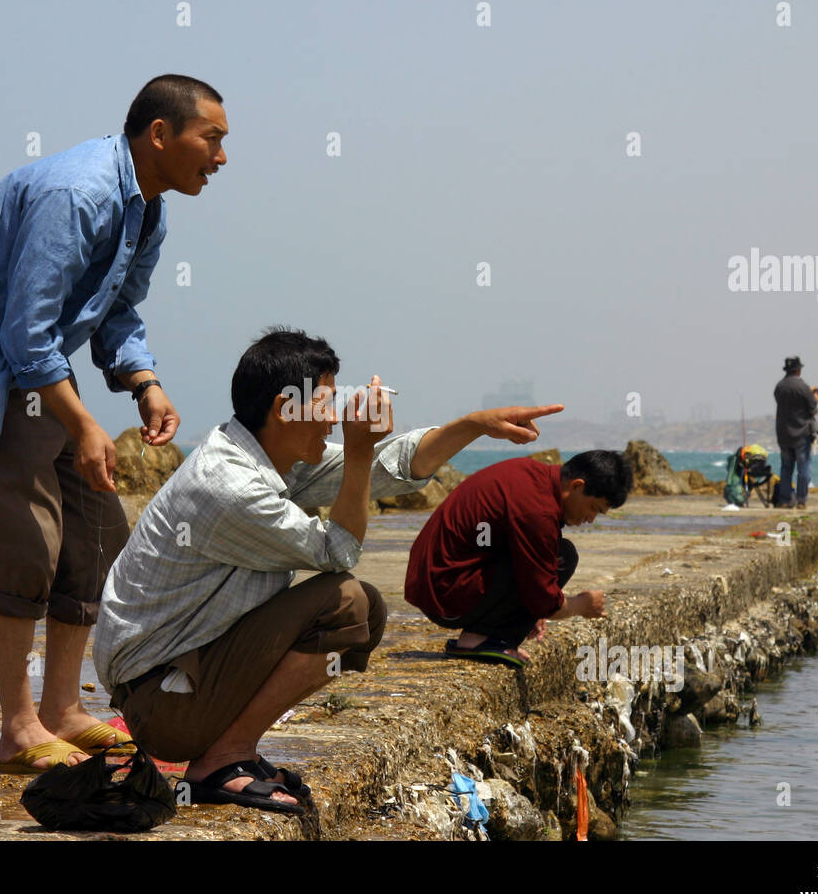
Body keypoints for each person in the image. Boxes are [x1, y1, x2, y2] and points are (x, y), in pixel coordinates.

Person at [0, 74, 228, 774]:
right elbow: (24, 330)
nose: (220, 158)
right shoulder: (79, 193)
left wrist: (145, 384)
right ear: (160, 134)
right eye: (211, 139)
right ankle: (18, 730)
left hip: (36, 371)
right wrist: (84, 424)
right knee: (23, 543)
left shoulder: (147, 209)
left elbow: (117, 315)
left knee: (99, 531)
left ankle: (65, 710)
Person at [94, 328, 561, 813]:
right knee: (346, 603)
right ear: (284, 408)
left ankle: (232, 752)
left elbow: (389, 467)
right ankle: (221, 760)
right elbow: (339, 551)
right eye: (327, 402)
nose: (335, 417)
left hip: (181, 682)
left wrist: (473, 424)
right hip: (163, 704)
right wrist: (358, 450)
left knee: (365, 610)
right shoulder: (228, 485)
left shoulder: (267, 457)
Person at [404, 451, 632, 668]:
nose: (590, 519)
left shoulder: (535, 477)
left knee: (557, 555)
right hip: (445, 593)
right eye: (594, 508)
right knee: (564, 557)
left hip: (441, 580)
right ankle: (478, 640)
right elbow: (543, 599)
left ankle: (492, 637)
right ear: (576, 486)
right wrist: (580, 605)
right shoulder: (537, 509)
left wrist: (528, 612)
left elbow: (534, 566)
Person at [773, 356, 818, 509]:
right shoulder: (802, 387)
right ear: (798, 370)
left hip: (784, 435)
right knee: (803, 468)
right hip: (801, 434)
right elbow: (814, 408)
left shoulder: (779, 387)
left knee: (786, 468)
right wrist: (815, 398)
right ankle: (801, 500)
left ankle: (785, 500)